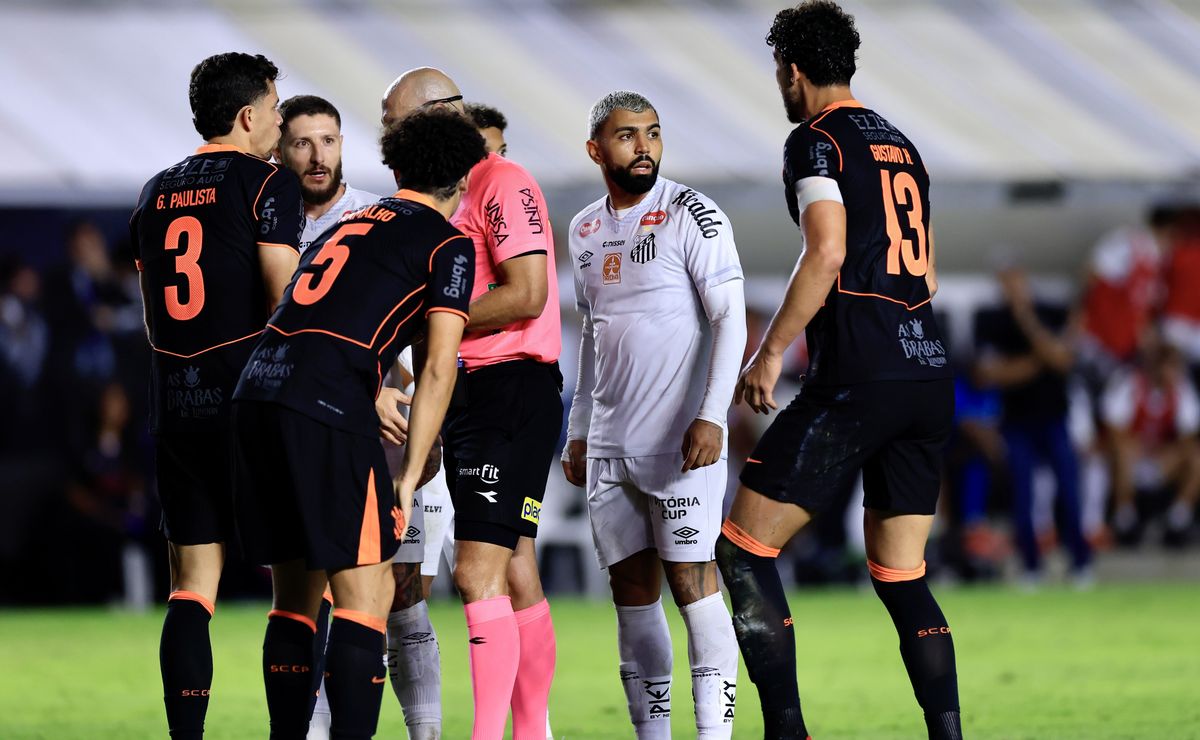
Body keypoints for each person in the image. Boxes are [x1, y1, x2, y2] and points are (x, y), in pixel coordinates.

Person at [713, 4, 963, 739]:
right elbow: (931, 276)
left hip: (861, 373)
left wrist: (772, 350)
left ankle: (787, 731)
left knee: (742, 550)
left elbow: (824, 251)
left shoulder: (815, 141)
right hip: (927, 371)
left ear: (792, 72)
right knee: (902, 576)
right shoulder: (901, 144)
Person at [230, 108, 483, 740]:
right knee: (365, 601)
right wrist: (406, 482)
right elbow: (438, 370)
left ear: (397, 166)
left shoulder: (357, 219)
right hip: (324, 407)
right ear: (464, 178)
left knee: (294, 599)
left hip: (257, 392)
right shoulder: (446, 242)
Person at [383, 68, 561, 740]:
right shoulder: (444, 194)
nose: (390, 134)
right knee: (514, 570)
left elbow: (528, 292)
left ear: (440, 113)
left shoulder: (501, 181)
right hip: (471, 388)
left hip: (508, 386)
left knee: (473, 570)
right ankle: (532, 732)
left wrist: (441, 319)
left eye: (397, 120)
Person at [562, 91, 745, 739]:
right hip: (611, 446)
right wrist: (580, 431)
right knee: (632, 599)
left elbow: (730, 318)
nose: (643, 146)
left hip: (680, 445)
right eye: (627, 136)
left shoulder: (692, 213)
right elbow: (592, 334)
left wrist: (712, 414)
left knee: (695, 590)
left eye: (653, 134)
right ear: (596, 149)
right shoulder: (583, 228)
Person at [128, 52, 301, 740]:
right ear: (248, 115)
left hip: (176, 403)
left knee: (191, 588)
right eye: (277, 107)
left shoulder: (154, 191)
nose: (282, 121)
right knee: (292, 587)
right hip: (252, 405)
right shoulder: (267, 184)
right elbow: (286, 300)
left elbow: (152, 317)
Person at [974, 264, 1092, 583]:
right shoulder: (991, 320)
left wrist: (1027, 322)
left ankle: (1080, 561)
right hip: (1016, 422)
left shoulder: (1050, 311)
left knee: (1069, 492)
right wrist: (1043, 357)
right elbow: (989, 374)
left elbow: (1063, 360)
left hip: (1054, 418)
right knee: (1021, 497)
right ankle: (1030, 564)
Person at [1102, 325, 1200, 545]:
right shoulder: (1131, 383)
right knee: (1123, 450)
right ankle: (1125, 517)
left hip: (1162, 462)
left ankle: (1178, 519)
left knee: (1196, 457)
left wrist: (1166, 453)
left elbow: (1188, 436)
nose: (1175, 374)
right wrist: (1138, 447)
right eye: (1170, 367)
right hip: (1131, 461)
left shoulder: (1182, 391)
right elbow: (1114, 429)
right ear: (1158, 366)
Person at [275, 95, 383, 254]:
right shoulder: (266, 220)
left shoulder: (380, 213)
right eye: (303, 144)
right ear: (278, 153)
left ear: (340, 144)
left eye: (328, 141)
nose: (318, 158)